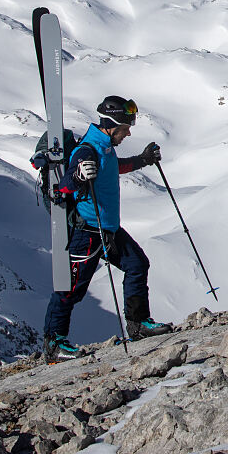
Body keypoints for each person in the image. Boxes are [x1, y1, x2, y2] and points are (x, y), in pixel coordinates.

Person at [42, 95, 173, 362]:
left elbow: (115, 168)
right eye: (125, 129)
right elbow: (65, 185)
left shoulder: (105, 149)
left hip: (109, 230)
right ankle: (54, 343)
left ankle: (137, 325)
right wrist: (78, 176)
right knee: (71, 289)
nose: (128, 133)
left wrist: (143, 159)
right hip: (88, 232)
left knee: (137, 264)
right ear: (112, 126)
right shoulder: (87, 150)